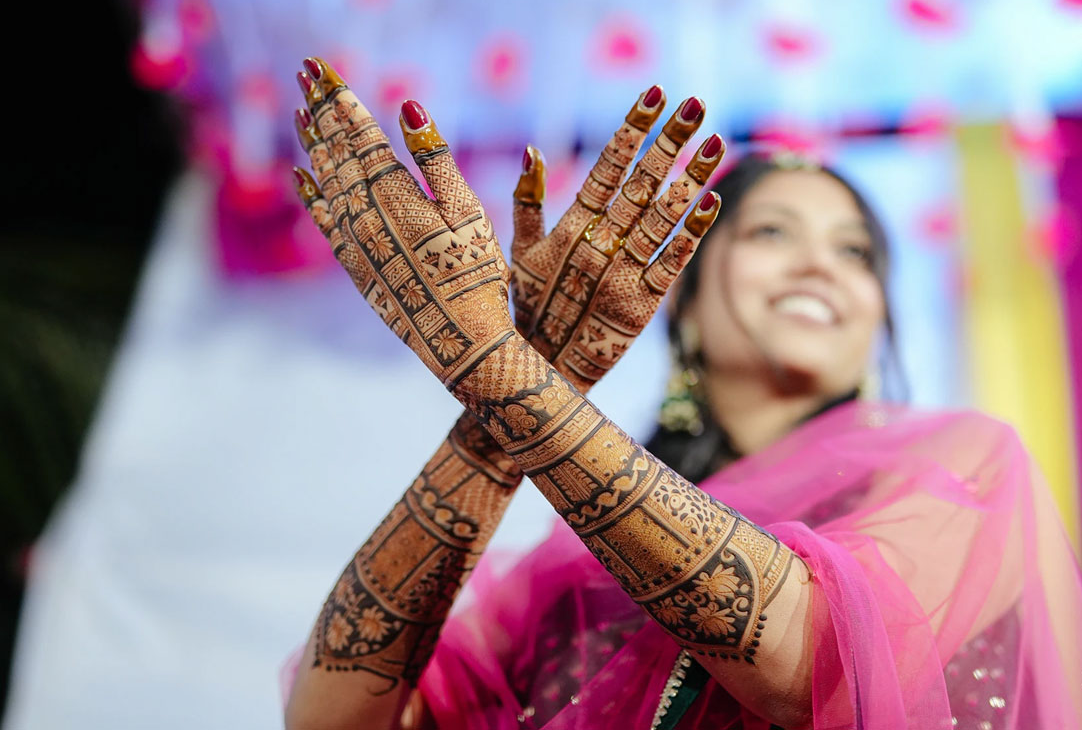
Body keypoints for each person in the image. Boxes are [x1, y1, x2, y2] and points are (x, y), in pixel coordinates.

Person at [282, 57, 1081, 730]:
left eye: (856, 251)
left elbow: (816, 657)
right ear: (684, 304)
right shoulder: (574, 577)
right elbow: (337, 717)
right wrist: (499, 414)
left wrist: (503, 368)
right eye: (773, 233)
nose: (820, 266)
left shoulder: (960, 467)